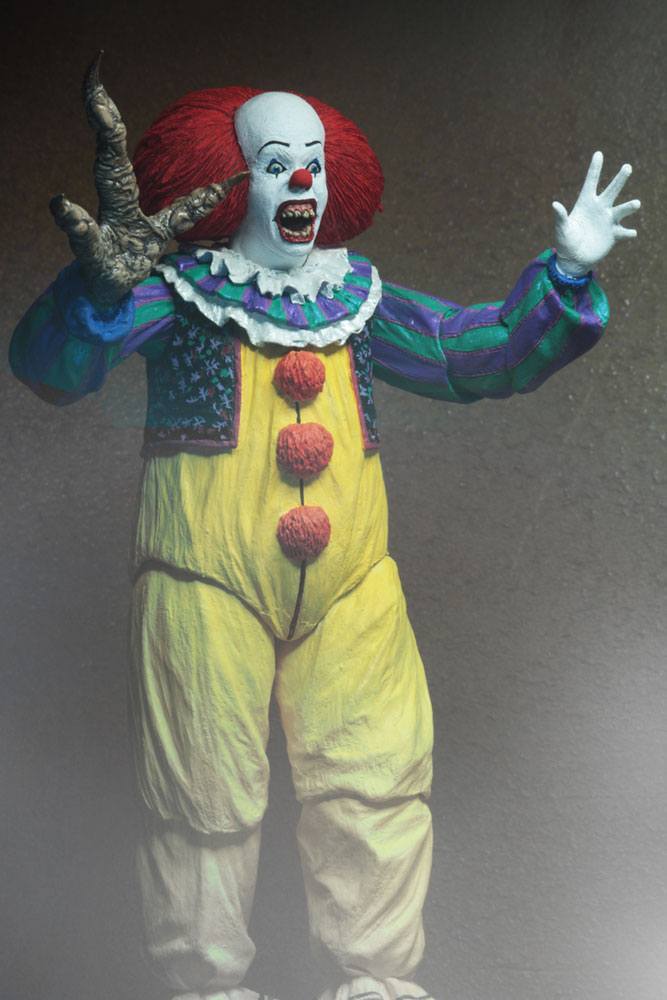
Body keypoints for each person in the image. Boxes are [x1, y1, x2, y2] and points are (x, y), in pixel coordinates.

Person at [9, 55, 640, 1000]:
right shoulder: (177, 294)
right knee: (200, 788)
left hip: (353, 588)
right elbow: (50, 369)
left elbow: (473, 353)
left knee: (377, 777)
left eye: (310, 159)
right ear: (230, 182)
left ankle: (376, 981)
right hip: (200, 580)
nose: (300, 177)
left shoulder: (357, 301)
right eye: (275, 163)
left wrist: (565, 274)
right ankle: (204, 985)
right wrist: (92, 295)